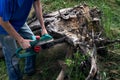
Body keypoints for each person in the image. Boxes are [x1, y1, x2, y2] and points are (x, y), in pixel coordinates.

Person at [0, 0, 52, 80]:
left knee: (33, 42)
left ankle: (29, 70)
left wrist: (43, 28)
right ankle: (15, 78)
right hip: (4, 26)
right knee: (12, 56)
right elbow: (2, 21)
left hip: (18, 21)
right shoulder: (6, 1)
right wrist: (21, 40)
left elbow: (37, 4)